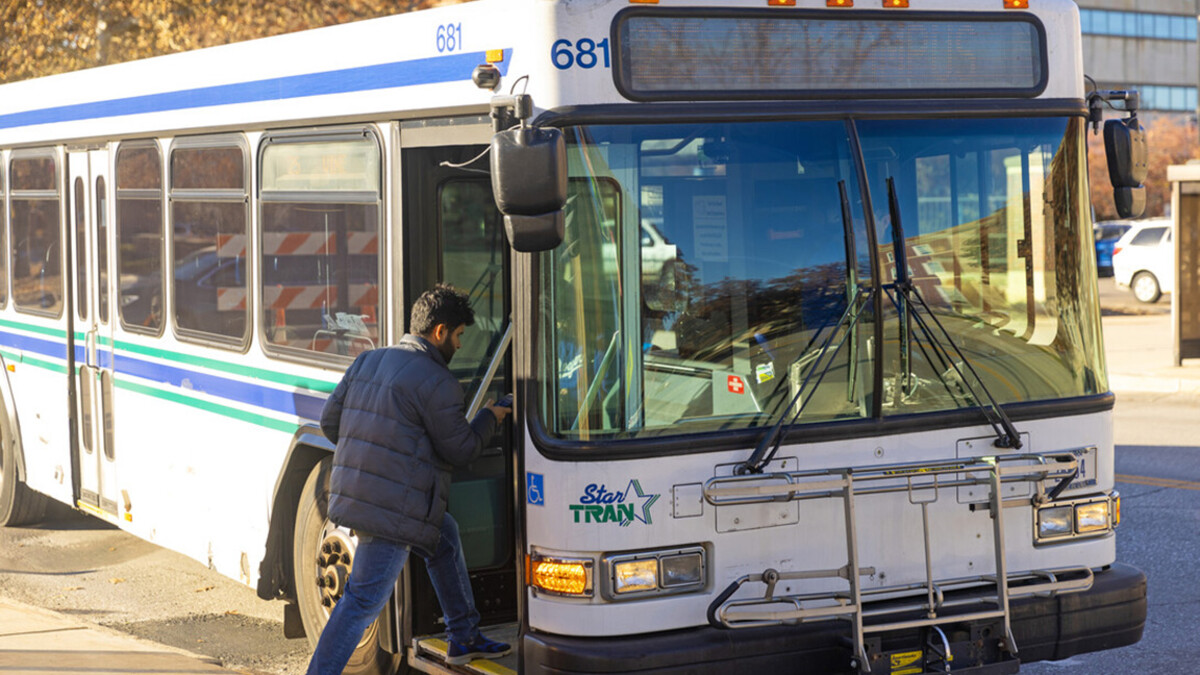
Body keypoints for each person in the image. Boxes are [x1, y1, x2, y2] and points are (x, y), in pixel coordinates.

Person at [306, 284, 513, 674]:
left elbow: (330, 422)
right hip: (393, 510)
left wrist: (372, 454)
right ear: (438, 333)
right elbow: (462, 449)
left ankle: (463, 636)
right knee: (361, 602)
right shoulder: (436, 381)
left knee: (444, 538)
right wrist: (491, 417)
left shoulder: (367, 361)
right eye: (458, 336)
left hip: (367, 496)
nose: (459, 345)